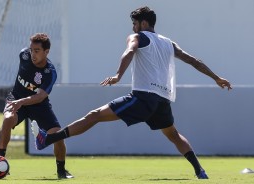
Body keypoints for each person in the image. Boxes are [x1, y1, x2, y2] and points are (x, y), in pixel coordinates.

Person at [31, 7, 232, 179]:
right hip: (162, 99)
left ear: (144, 23)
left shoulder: (138, 37)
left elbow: (129, 51)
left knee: (94, 116)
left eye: (134, 23)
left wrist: (118, 75)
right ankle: (200, 171)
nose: (132, 27)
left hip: (143, 97)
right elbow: (193, 60)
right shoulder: (168, 42)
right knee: (174, 135)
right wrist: (216, 78)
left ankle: (48, 140)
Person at [0, 33, 73, 179]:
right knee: (7, 119)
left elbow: (40, 96)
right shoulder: (23, 55)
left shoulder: (50, 73)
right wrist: (18, 101)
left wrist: (21, 102)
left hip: (39, 105)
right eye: (32, 49)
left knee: (57, 134)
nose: (33, 54)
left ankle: (61, 170)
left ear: (47, 52)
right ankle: (1, 161)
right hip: (16, 98)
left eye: (37, 51)